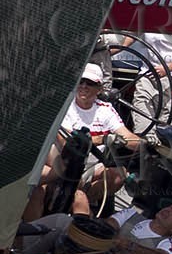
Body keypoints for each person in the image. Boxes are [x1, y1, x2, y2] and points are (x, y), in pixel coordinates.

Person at [29, 65, 143, 219]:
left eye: (89, 83)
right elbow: (67, 143)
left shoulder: (106, 109)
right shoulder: (65, 105)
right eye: (81, 81)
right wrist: (103, 138)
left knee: (119, 174)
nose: (83, 86)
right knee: (40, 190)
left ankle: (82, 201)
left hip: (90, 168)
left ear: (99, 89)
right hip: (62, 166)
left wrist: (149, 145)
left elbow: (129, 138)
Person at [15, 202, 172, 254]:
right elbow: (108, 226)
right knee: (62, 221)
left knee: (62, 224)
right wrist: (112, 239)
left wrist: (129, 246)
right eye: (171, 207)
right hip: (93, 252)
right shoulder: (131, 214)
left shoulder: (168, 244)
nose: (169, 210)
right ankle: (14, 246)